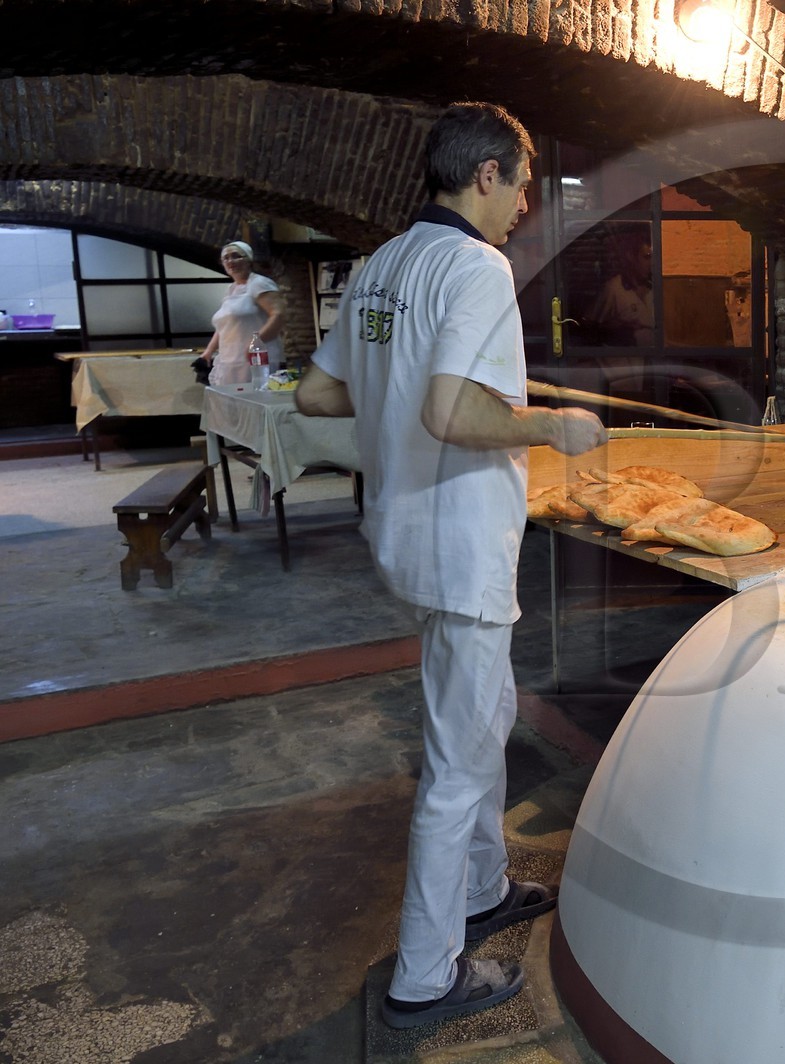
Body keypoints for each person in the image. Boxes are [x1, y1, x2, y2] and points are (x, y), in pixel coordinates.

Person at [295, 102, 606, 1029]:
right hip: (462, 542)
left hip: (404, 532)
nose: (523, 206)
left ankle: (481, 889)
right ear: (486, 176)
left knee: (484, 716)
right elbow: (449, 415)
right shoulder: (477, 265)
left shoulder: (385, 263)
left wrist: (400, 379)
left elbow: (317, 391)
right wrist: (555, 426)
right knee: (458, 760)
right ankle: (424, 977)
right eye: (521, 185)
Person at [200, 241, 283, 386]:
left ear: (249, 260)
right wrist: (208, 351)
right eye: (226, 258)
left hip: (255, 359)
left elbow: (278, 314)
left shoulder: (259, 283)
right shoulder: (231, 289)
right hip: (230, 358)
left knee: (254, 398)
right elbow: (224, 327)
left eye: (236, 256)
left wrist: (255, 344)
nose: (230, 261)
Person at [588, 229, 654, 345]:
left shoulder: (655, 289)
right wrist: (618, 328)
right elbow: (590, 327)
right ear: (631, 257)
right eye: (646, 257)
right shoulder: (614, 288)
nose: (651, 263)